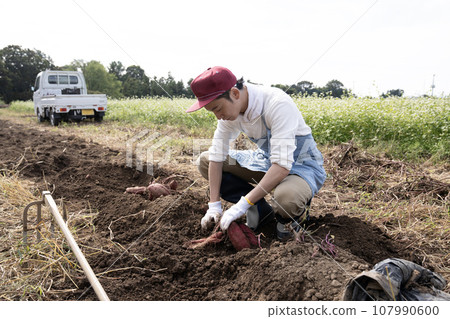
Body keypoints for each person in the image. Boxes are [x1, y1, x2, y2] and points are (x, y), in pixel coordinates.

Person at [186, 66, 326, 240]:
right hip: (268, 161)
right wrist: (214, 205)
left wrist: (242, 204)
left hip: (302, 166)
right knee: (205, 161)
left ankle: (291, 219)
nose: (218, 116)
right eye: (212, 111)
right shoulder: (230, 112)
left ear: (235, 93)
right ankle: (259, 209)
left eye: (217, 108)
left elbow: (282, 166)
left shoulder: (277, 104)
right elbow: (216, 157)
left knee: (286, 200)